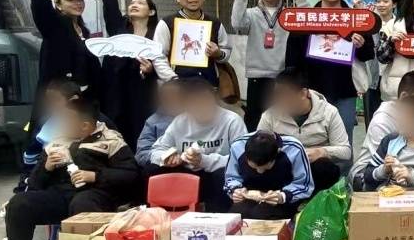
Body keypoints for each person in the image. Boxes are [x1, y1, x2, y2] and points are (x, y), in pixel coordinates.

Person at [3, 99, 139, 240]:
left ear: (84, 125)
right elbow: (34, 184)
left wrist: (95, 176)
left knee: (82, 205)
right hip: (59, 195)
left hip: (95, 194)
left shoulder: (111, 141)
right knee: (19, 203)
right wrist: (46, 167)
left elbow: (131, 175)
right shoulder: (56, 141)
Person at [17, 0, 104, 190]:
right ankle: (28, 185)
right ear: (59, 5)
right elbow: (42, 10)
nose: (78, 3)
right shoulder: (55, 24)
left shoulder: (83, 30)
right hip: (57, 99)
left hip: (81, 100)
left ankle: (74, 181)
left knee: (75, 141)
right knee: (46, 139)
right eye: (72, 0)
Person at [284, 0, 375, 135]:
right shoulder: (307, 17)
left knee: (344, 138)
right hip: (312, 91)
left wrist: (361, 45)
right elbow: (292, 55)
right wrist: (296, 85)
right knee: (313, 137)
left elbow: (369, 54)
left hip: (345, 90)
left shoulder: (355, 17)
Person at [95, 0, 168, 142]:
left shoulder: (158, 34)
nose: (134, 5)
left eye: (140, 3)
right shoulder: (119, 28)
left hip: (143, 91)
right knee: (116, 129)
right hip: (115, 89)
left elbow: (165, 63)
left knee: (142, 129)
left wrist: (151, 70)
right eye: (132, 3)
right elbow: (110, 4)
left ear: (151, 12)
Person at [148, 78, 247, 211]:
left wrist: (204, 160)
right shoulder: (180, 121)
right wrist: (167, 157)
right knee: (152, 169)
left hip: (216, 173)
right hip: (188, 171)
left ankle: (218, 215)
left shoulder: (231, 120)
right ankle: (162, 213)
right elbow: (156, 151)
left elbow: (242, 159)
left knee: (220, 175)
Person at [257, 68, 351, 191]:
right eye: (277, 94)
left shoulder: (329, 112)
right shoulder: (270, 115)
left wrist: (322, 152)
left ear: (303, 93)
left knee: (325, 168)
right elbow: (257, 148)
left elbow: (345, 151)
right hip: (282, 166)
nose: (279, 100)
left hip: (314, 168)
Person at [232, 0, 297, 130]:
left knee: (284, 119)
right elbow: (237, 24)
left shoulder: (290, 14)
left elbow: (307, 27)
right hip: (258, 75)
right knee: (255, 121)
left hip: (284, 75)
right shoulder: (251, 13)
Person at [353, 70, 414, 189]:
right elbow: (382, 163)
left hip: (401, 171)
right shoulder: (382, 122)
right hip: (367, 174)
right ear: (404, 96)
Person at [153, 0, 232, 86]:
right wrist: (172, 79)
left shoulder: (215, 23)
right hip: (177, 85)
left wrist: (218, 53)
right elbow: (158, 56)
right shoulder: (167, 23)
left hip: (209, 84)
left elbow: (226, 50)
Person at [225, 130, 314, 220]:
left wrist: (282, 196)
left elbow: (304, 184)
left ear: (277, 153)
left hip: (282, 197)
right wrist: (235, 190)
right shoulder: (237, 146)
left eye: (266, 168)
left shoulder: (294, 148)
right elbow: (231, 177)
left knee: (261, 215)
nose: (260, 172)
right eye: (254, 168)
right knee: (236, 216)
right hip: (248, 195)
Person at [364, 0, 399, 125]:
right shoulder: (369, 23)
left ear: (394, 4)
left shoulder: (400, 25)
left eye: (385, 1)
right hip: (372, 78)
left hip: (392, 77)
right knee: (372, 120)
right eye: (378, 1)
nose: (381, 5)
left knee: (392, 119)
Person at [135, 79, 184, 169]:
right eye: (167, 99)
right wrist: (164, 157)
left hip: (193, 165)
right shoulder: (153, 122)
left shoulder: (196, 118)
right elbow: (141, 154)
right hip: (163, 167)